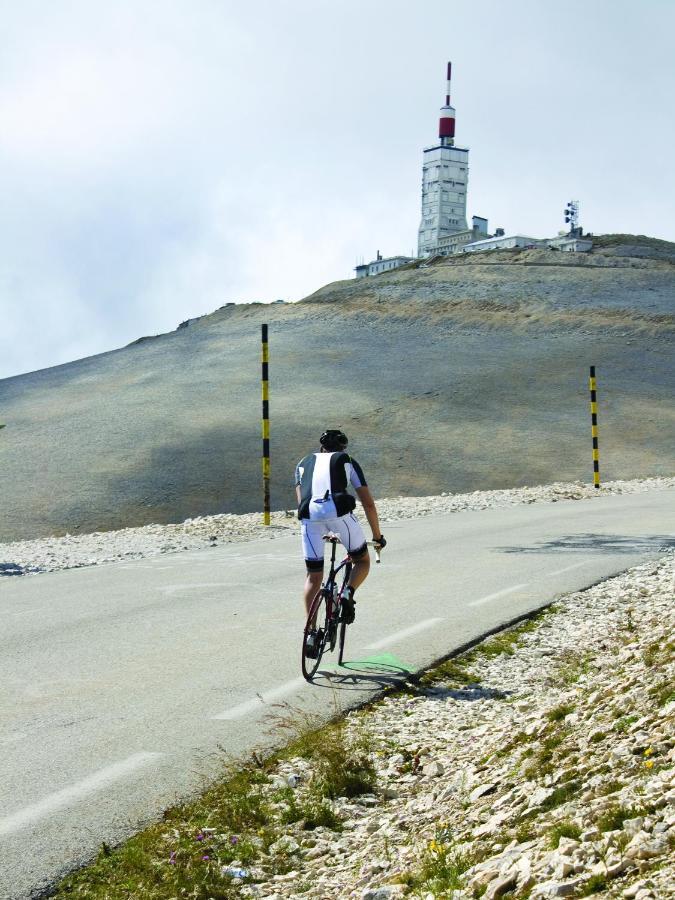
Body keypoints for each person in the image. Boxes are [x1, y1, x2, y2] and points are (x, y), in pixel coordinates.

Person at [294, 429, 386, 626]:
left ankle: (310, 632)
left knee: (313, 576)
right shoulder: (347, 460)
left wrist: (323, 529)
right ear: (343, 449)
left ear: (321, 447)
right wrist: (377, 536)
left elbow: (302, 501)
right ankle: (347, 593)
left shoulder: (302, 463)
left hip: (309, 519)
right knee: (362, 561)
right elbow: (368, 503)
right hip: (339, 515)